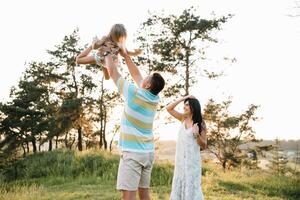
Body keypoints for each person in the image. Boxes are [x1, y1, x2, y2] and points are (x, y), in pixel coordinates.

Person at [104, 47, 165, 200]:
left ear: (148, 85)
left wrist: (106, 52)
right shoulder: (154, 98)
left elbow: (113, 73)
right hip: (147, 153)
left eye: (148, 77)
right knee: (144, 195)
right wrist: (125, 55)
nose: (144, 77)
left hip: (133, 154)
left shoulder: (134, 93)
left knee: (128, 196)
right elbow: (137, 75)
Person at [166, 95, 207, 200]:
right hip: (180, 162)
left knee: (191, 188)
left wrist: (196, 134)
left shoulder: (201, 123)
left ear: (193, 107)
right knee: (179, 185)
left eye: (187, 105)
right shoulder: (182, 118)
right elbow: (168, 108)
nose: (184, 107)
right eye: (184, 104)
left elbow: (204, 145)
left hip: (192, 162)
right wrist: (185, 97)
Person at [76, 24, 142, 80]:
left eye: (120, 38)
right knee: (78, 60)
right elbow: (95, 47)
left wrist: (135, 53)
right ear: (112, 34)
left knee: (107, 78)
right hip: (99, 57)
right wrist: (97, 43)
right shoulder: (105, 38)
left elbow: (126, 53)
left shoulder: (120, 44)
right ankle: (92, 46)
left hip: (110, 62)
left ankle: (103, 66)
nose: (117, 39)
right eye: (117, 37)